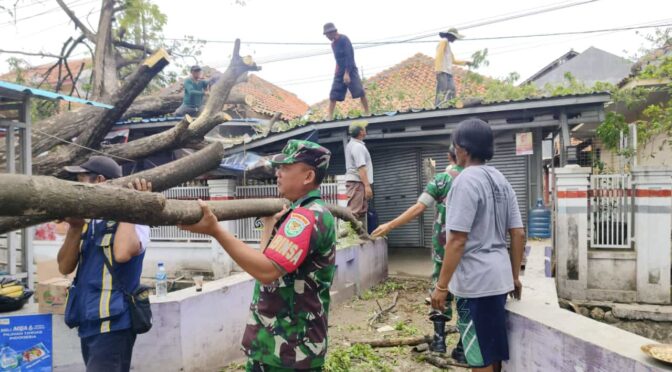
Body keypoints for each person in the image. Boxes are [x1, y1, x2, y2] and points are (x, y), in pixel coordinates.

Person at [180, 140, 336, 372]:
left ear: (308, 176)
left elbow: (267, 271)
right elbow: (269, 266)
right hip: (275, 345)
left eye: (286, 167)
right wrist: (268, 224)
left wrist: (216, 231)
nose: (278, 173)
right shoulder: (300, 213)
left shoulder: (306, 217)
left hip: (290, 351)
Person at [431, 118, 525, 372]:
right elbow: (517, 233)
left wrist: (441, 286)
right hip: (498, 278)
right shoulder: (502, 180)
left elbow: (457, 240)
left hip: (475, 283)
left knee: (478, 356)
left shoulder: (465, 181)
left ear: (462, 148)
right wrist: (514, 276)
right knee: (491, 352)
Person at [371, 146, 466, 362]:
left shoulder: (441, 180)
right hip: (469, 250)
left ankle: (440, 341)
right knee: (466, 294)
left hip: (444, 247)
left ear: (449, 156)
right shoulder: (476, 178)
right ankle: (462, 346)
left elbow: (419, 207)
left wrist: (390, 225)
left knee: (440, 289)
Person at [58, 156, 151, 372]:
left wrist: (129, 207)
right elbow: (64, 267)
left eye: (81, 181)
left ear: (100, 181)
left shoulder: (137, 220)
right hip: (88, 323)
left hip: (114, 325)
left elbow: (121, 253)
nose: (76, 188)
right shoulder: (89, 224)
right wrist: (74, 227)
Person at [323, 22, 369, 120]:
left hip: (350, 69)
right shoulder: (333, 44)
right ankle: (330, 117)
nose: (327, 37)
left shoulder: (344, 39)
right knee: (333, 94)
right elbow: (337, 60)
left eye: (327, 35)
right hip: (339, 71)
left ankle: (367, 112)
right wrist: (338, 73)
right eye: (326, 35)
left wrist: (347, 73)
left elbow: (349, 56)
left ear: (333, 32)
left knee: (360, 91)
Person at [344, 120, 373, 231]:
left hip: (358, 182)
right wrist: (367, 186)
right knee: (354, 211)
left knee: (361, 210)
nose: (366, 130)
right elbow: (361, 167)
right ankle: (349, 237)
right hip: (357, 182)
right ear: (361, 132)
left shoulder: (352, 145)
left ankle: (360, 236)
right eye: (364, 129)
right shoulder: (357, 147)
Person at [435, 28, 470, 107]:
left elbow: (453, 60)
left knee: (452, 89)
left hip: (448, 72)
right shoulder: (443, 41)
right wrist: (438, 69)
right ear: (451, 36)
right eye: (455, 37)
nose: (455, 39)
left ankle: (450, 105)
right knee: (442, 90)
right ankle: (438, 106)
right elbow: (439, 55)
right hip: (442, 71)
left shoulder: (448, 46)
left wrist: (465, 62)